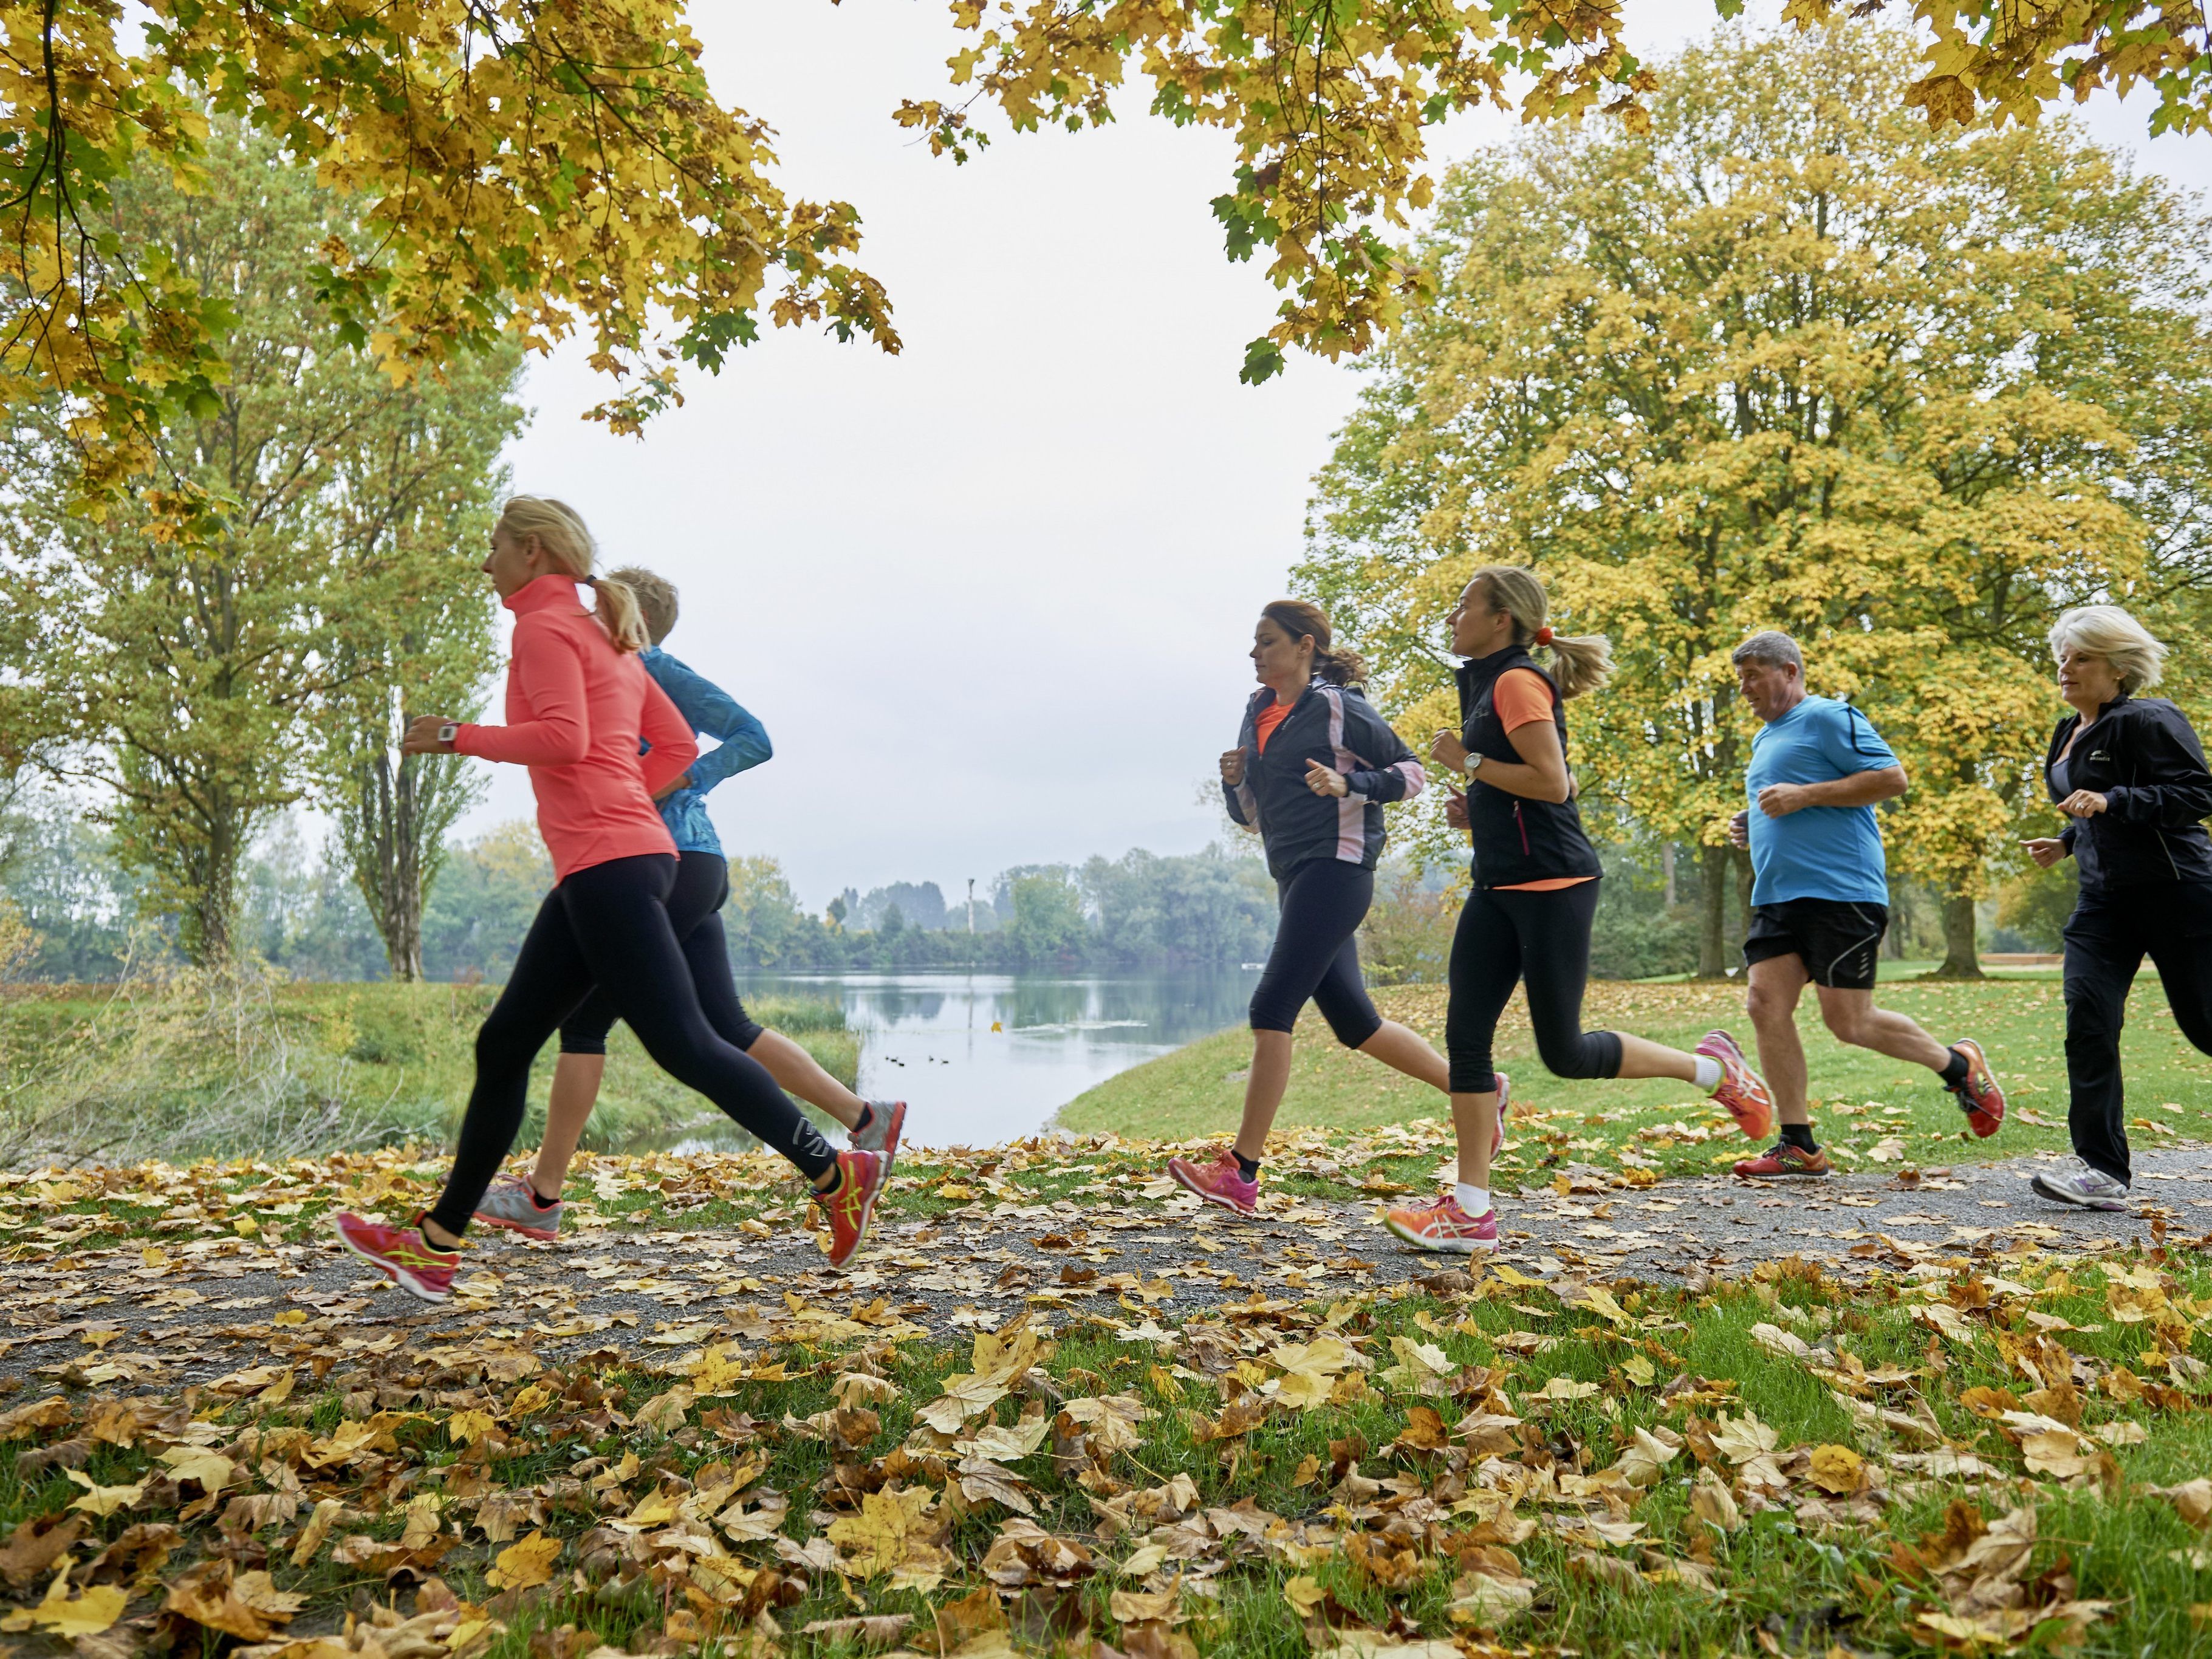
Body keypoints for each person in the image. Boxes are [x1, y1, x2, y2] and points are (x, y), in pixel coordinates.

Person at [330, 498, 886, 1301]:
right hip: (624, 856)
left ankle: (836, 1170)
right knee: (508, 1037)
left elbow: (564, 738)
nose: (485, 563)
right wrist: (624, 797)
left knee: (686, 1042)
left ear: (530, 550)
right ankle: (438, 1240)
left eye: (494, 547)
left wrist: (457, 734)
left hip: (610, 862)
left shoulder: (546, 629)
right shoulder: (603, 633)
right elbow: (677, 745)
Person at [471, 567, 905, 1242]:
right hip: (686, 866)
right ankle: (866, 1119)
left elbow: (751, 736)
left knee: (589, 1022)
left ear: (631, 616)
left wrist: (678, 779)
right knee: (723, 1025)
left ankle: (542, 1194)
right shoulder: (606, 667)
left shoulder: (648, 667)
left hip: (663, 862)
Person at [1383, 567, 1773, 1253]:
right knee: (1465, 1038)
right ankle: (1470, 1211)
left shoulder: (1515, 680)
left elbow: (1551, 780)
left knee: (1563, 1051)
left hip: (1554, 887)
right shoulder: (1485, 682)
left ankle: (1713, 1070)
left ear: (1500, 619)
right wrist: (1477, 814)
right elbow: (1522, 792)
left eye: (1463, 606)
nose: (1452, 616)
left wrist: (1468, 763)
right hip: (1496, 884)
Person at [1165, 600, 1467, 1216]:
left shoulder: (1337, 706)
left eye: (1266, 642)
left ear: (1304, 647)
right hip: (1293, 871)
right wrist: (1232, 780)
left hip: (1337, 867)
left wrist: (1347, 783)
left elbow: (1411, 774)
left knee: (1270, 1006)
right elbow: (1252, 817)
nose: (1254, 654)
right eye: (1253, 644)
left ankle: (1240, 1173)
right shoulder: (1256, 712)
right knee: (1355, 1023)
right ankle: (1476, 1089)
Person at [1724, 631, 2005, 1179]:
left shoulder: (1829, 716)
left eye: (1754, 674)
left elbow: (1891, 778)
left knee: (1848, 1022)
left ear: (1789, 670)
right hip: (1779, 894)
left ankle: (1957, 1065)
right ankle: (1798, 1144)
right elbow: (1786, 799)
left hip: (1841, 892)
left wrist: (1803, 795)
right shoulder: (1765, 737)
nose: (1745, 687)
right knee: (1763, 1004)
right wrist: (1750, 819)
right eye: (1740, 678)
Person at [2023, 605, 2212, 1211]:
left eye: (2081, 657)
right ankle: (2102, 1170)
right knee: (2088, 1019)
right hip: (2102, 902)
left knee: (2204, 1025)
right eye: (2061, 655)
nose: (2064, 666)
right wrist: (2067, 841)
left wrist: (2113, 799)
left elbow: (2196, 794)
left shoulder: (2149, 719)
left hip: (2175, 892)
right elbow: (2090, 811)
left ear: (2118, 667)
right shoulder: (2065, 730)